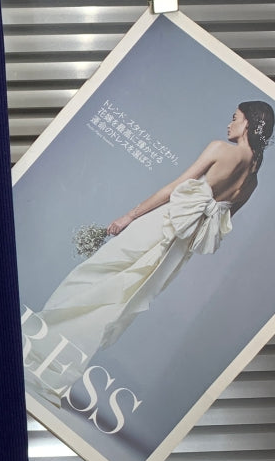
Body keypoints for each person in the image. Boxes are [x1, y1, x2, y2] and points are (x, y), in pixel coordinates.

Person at [22, 100, 275, 408]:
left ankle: (35, 349)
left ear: (247, 123)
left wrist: (129, 216)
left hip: (162, 225)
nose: (229, 123)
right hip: (177, 250)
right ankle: (55, 372)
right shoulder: (252, 182)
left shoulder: (221, 149)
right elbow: (219, 223)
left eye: (234, 118)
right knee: (118, 304)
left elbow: (174, 188)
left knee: (94, 277)